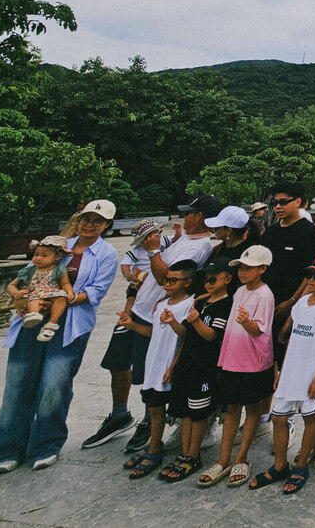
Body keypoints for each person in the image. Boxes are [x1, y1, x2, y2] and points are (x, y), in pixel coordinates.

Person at [86, 193, 220, 454]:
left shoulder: (199, 246)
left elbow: (164, 278)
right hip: (138, 310)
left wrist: (153, 250)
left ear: (199, 217)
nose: (185, 216)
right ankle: (119, 414)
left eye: (189, 212)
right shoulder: (185, 240)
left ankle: (150, 421)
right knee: (118, 363)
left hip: (154, 318)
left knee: (150, 373)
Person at [0, 199, 120, 473]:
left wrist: (60, 299)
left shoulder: (106, 254)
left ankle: (45, 446)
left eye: (97, 221)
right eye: (86, 219)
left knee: (55, 384)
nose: (89, 224)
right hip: (31, 319)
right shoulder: (57, 243)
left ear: (107, 225)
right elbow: (30, 273)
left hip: (70, 324)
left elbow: (96, 292)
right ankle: (9, 449)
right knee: (17, 383)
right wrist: (22, 297)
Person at [248, 254, 315, 494]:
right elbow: (293, 338)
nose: (311, 279)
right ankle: (280, 465)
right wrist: (282, 369)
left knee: (310, 418)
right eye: (308, 274)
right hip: (292, 369)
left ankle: (301, 465)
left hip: (312, 373)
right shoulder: (301, 303)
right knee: (278, 417)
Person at [199, 245, 276, 488]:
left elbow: (258, 329)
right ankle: (224, 459)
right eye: (241, 267)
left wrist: (246, 322)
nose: (243, 272)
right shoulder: (240, 291)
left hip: (254, 362)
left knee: (252, 409)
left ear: (262, 269)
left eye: (249, 268)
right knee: (231, 408)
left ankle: (242, 457)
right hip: (232, 359)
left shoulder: (265, 295)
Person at [120, 259, 196, 479]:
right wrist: (132, 325)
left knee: (180, 410)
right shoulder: (161, 304)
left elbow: (185, 337)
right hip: (154, 364)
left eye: (173, 280)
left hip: (171, 365)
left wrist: (173, 365)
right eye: (165, 280)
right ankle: (154, 446)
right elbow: (155, 332)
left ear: (188, 282)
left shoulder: (190, 304)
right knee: (153, 408)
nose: (167, 284)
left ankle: (185, 453)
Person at [161, 258, 233, 483]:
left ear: (227, 279)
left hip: (205, 366)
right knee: (184, 411)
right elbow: (185, 334)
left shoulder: (226, 304)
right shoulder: (200, 302)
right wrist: (173, 322)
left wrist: (196, 322)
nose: (208, 284)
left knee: (198, 411)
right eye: (205, 280)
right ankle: (185, 452)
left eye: (213, 279)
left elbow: (212, 336)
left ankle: (193, 455)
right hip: (187, 363)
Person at [262, 182, 315, 367]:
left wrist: (292, 302)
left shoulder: (309, 233)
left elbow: (311, 274)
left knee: (289, 363)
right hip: (267, 305)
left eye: (283, 202)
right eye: (275, 203)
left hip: (293, 306)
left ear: (298, 202)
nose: (278, 207)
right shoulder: (271, 232)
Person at [7, 235, 76, 342]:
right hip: (34, 293)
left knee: (62, 297)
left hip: (51, 292)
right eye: (36, 254)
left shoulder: (59, 269)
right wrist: (15, 293)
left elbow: (65, 283)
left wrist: (70, 292)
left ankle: (51, 324)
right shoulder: (29, 270)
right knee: (33, 297)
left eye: (44, 255)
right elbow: (11, 285)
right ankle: (33, 314)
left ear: (57, 256)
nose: (38, 258)